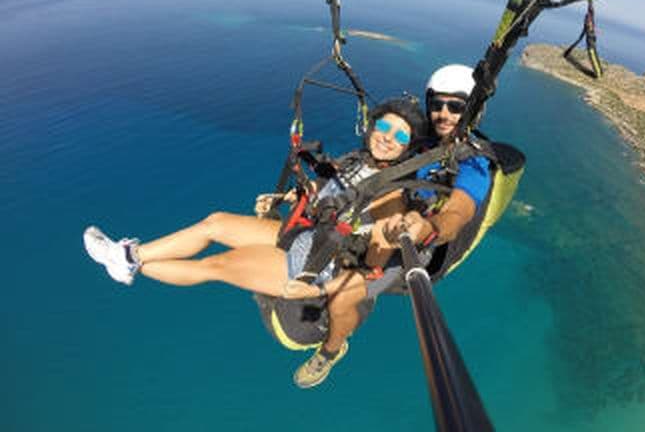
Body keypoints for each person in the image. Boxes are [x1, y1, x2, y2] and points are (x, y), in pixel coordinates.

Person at [83, 96, 426, 315]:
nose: (387, 137)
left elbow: (372, 274)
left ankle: (128, 265)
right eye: (384, 126)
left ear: (407, 149)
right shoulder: (357, 161)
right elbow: (332, 197)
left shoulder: (390, 195)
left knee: (217, 265)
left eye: (400, 136)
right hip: (304, 233)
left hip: (316, 263)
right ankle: (125, 257)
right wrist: (288, 199)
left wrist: (320, 288)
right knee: (215, 222)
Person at [289, 64, 492, 389]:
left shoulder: (474, 164)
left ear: (471, 111)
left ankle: (330, 351)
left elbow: (458, 213)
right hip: (381, 217)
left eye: (455, 107)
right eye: (437, 104)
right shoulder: (425, 143)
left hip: (412, 243)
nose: (443, 113)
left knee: (341, 299)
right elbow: (379, 161)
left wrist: (427, 228)